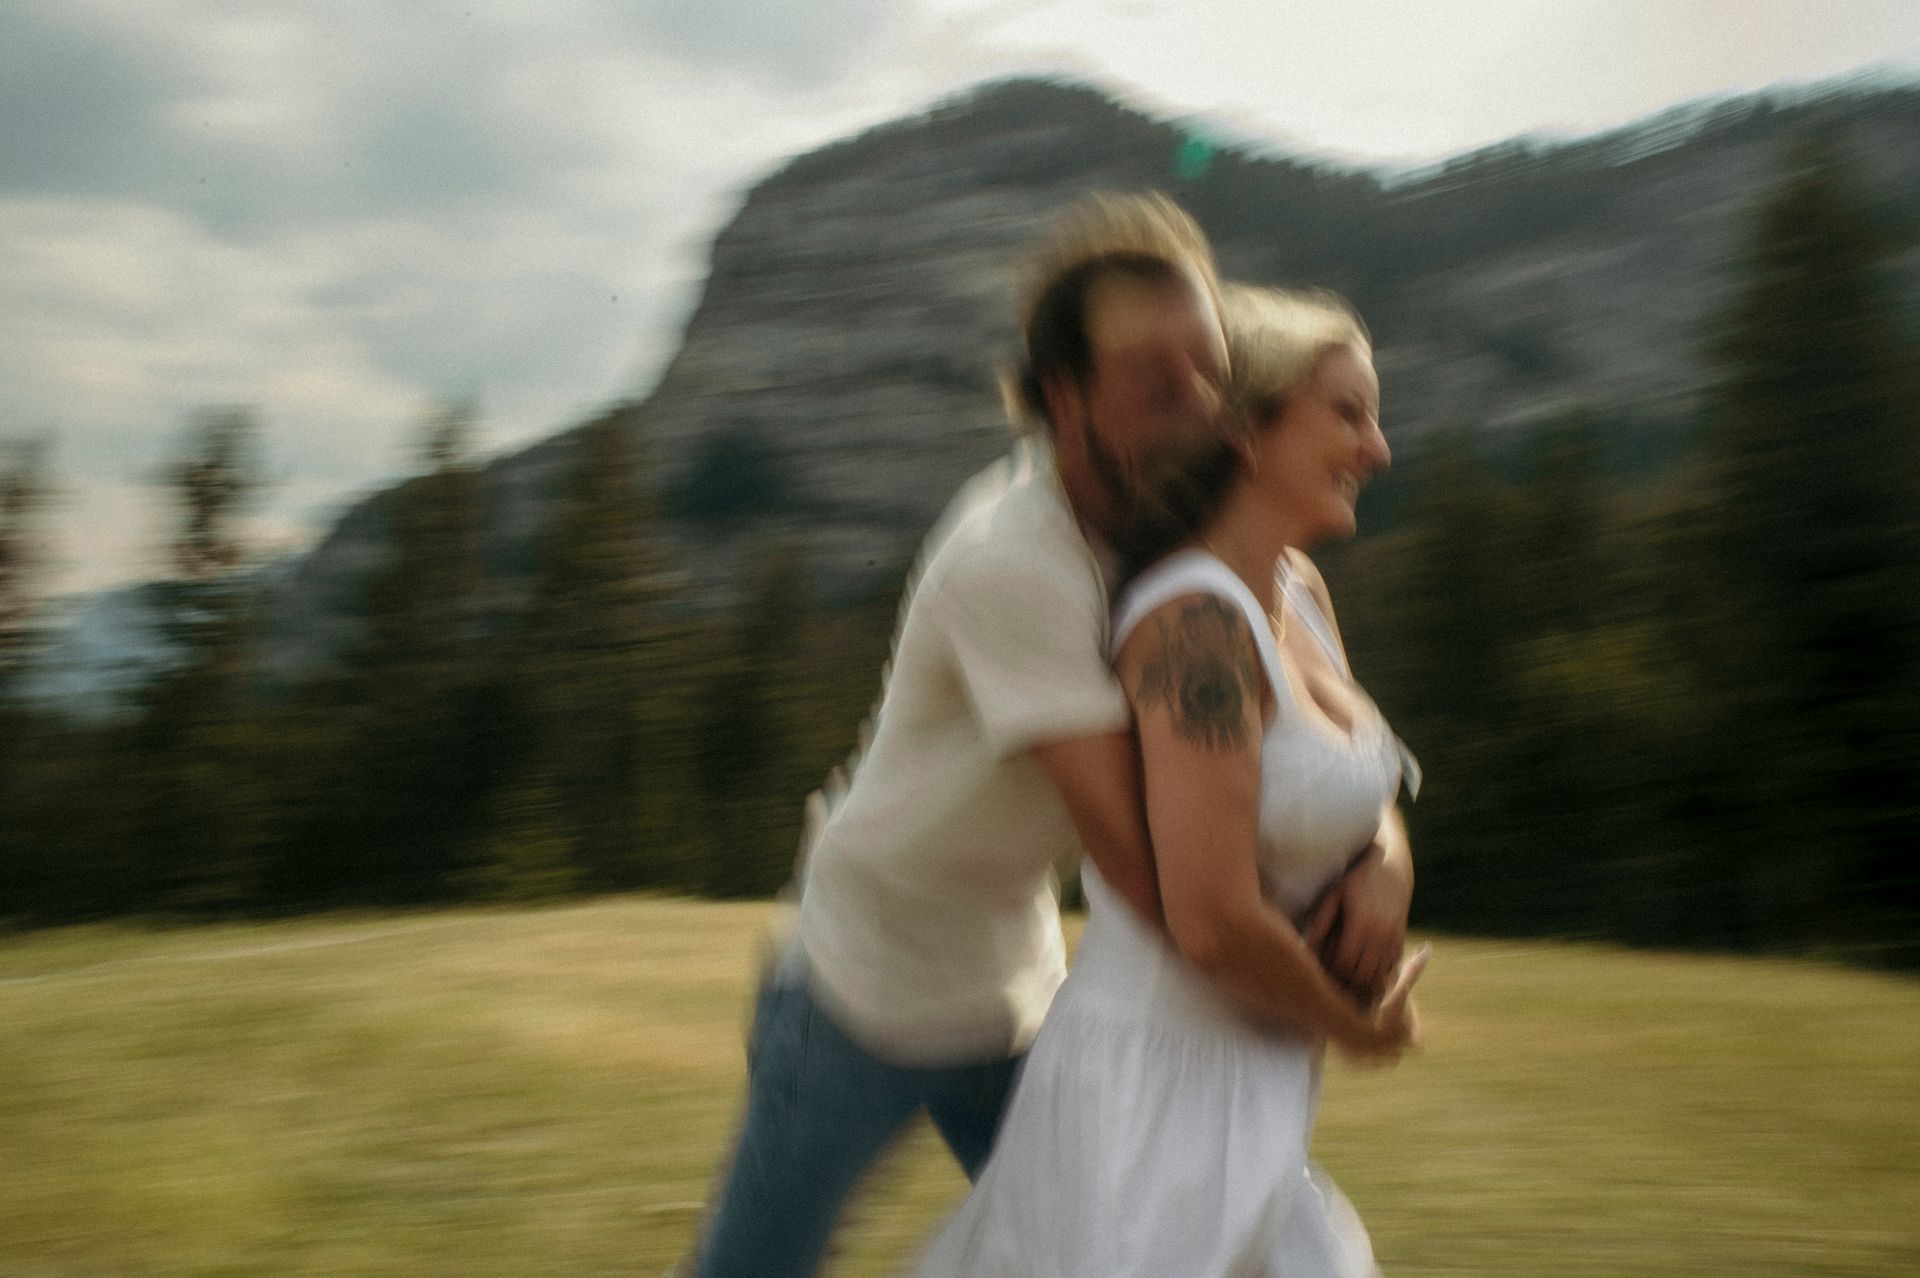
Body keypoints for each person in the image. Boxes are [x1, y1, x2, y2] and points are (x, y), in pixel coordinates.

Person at [683, 192, 1237, 1278]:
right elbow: (1143, 859)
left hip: (1009, 992)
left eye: (1211, 367)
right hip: (860, 994)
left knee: (1100, 1259)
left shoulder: (1168, 541)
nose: (1198, 404)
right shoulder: (1012, 559)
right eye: (1152, 378)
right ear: (1061, 397)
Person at [911, 284, 1426, 1277]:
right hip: (1152, 1114)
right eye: (1349, 414)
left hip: (1254, 1090)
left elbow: (1349, 778)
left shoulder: (1299, 595)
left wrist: (1387, 866)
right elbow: (1209, 918)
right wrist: (1358, 1029)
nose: (1378, 449)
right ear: (1246, 430)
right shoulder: (1196, 628)